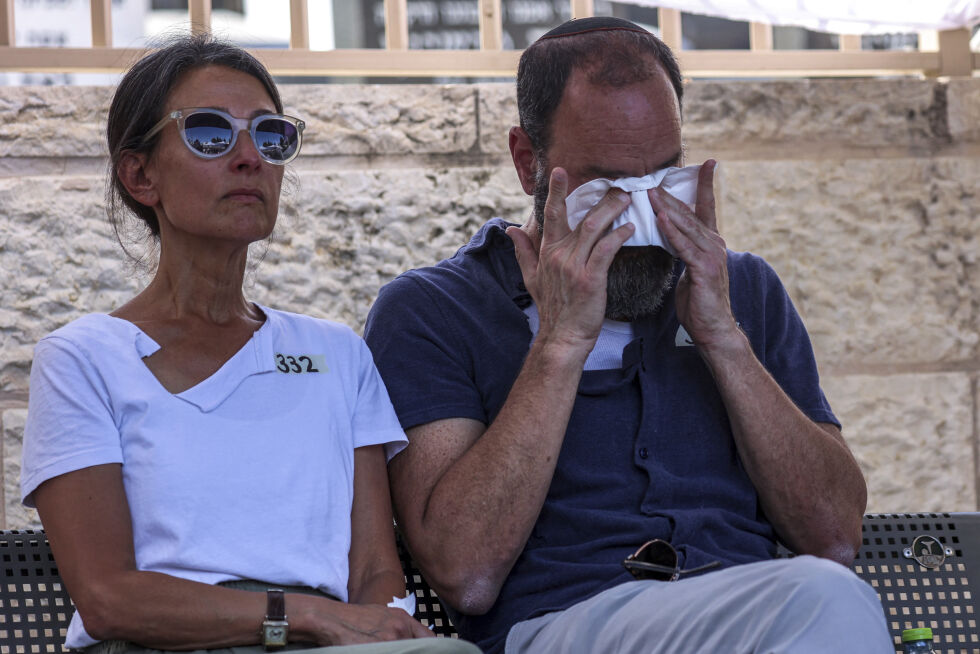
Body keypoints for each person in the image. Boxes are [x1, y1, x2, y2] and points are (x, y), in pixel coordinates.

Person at [363, 17, 894, 654]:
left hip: (753, 615)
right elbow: (465, 573)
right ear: (529, 162)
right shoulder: (434, 310)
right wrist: (558, 344)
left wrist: (723, 337)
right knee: (820, 599)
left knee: (820, 593)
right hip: (565, 624)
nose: (643, 219)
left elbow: (834, 536)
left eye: (665, 178)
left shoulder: (740, 290)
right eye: (610, 189)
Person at [20, 34, 479, 654]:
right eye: (209, 134)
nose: (249, 158)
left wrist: (365, 627)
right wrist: (303, 618)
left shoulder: (336, 354)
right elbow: (109, 599)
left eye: (271, 136)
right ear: (140, 174)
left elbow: (375, 573)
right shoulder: (82, 360)